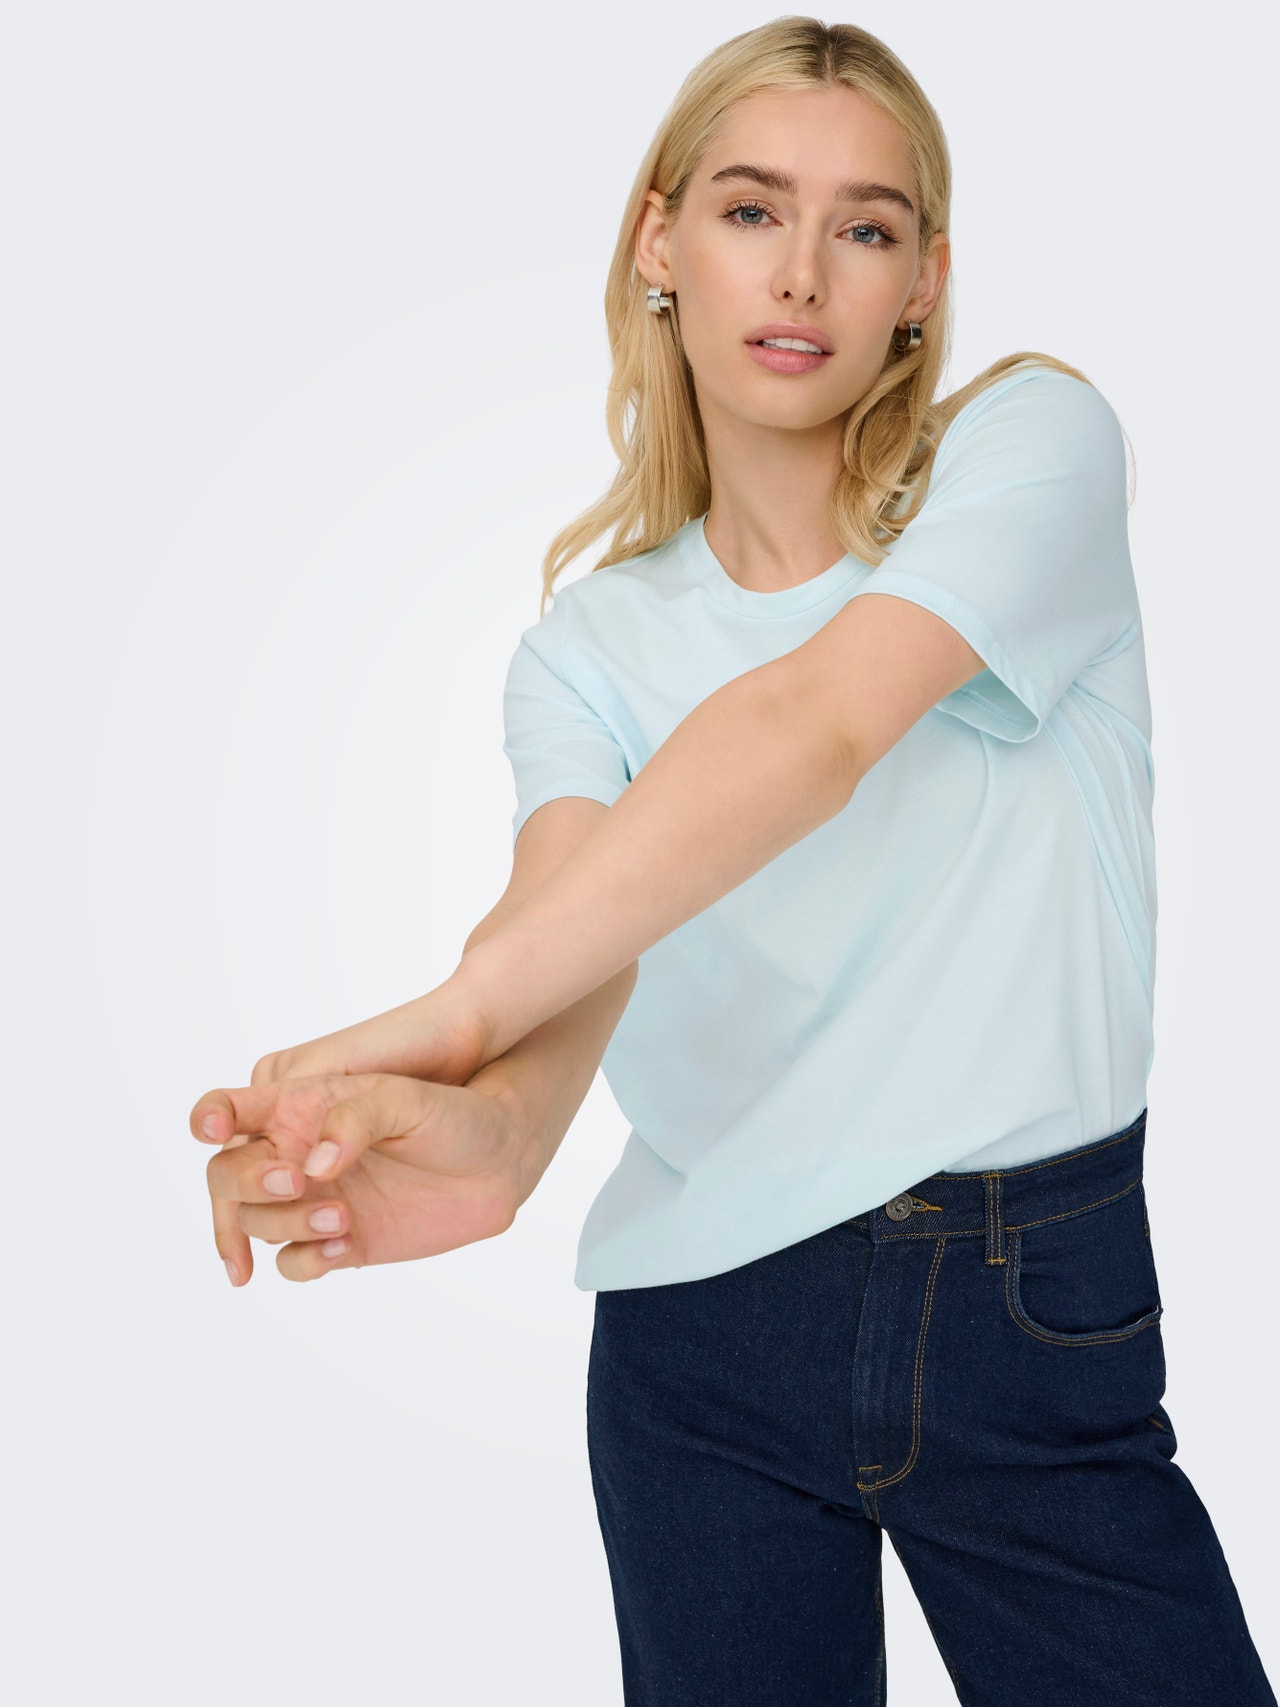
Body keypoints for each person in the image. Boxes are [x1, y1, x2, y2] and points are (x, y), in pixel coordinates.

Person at [189, 18, 1276, 1705]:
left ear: (923, 281)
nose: (803, 274)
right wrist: (478, 1131)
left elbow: (815, 728)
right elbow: (568, 951)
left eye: (867, 227)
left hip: (1022, 1311)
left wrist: (448, 1014)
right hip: (700, 1345)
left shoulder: (1032, 447)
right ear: (659, 241)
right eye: (754, 209)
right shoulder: (588, 650)